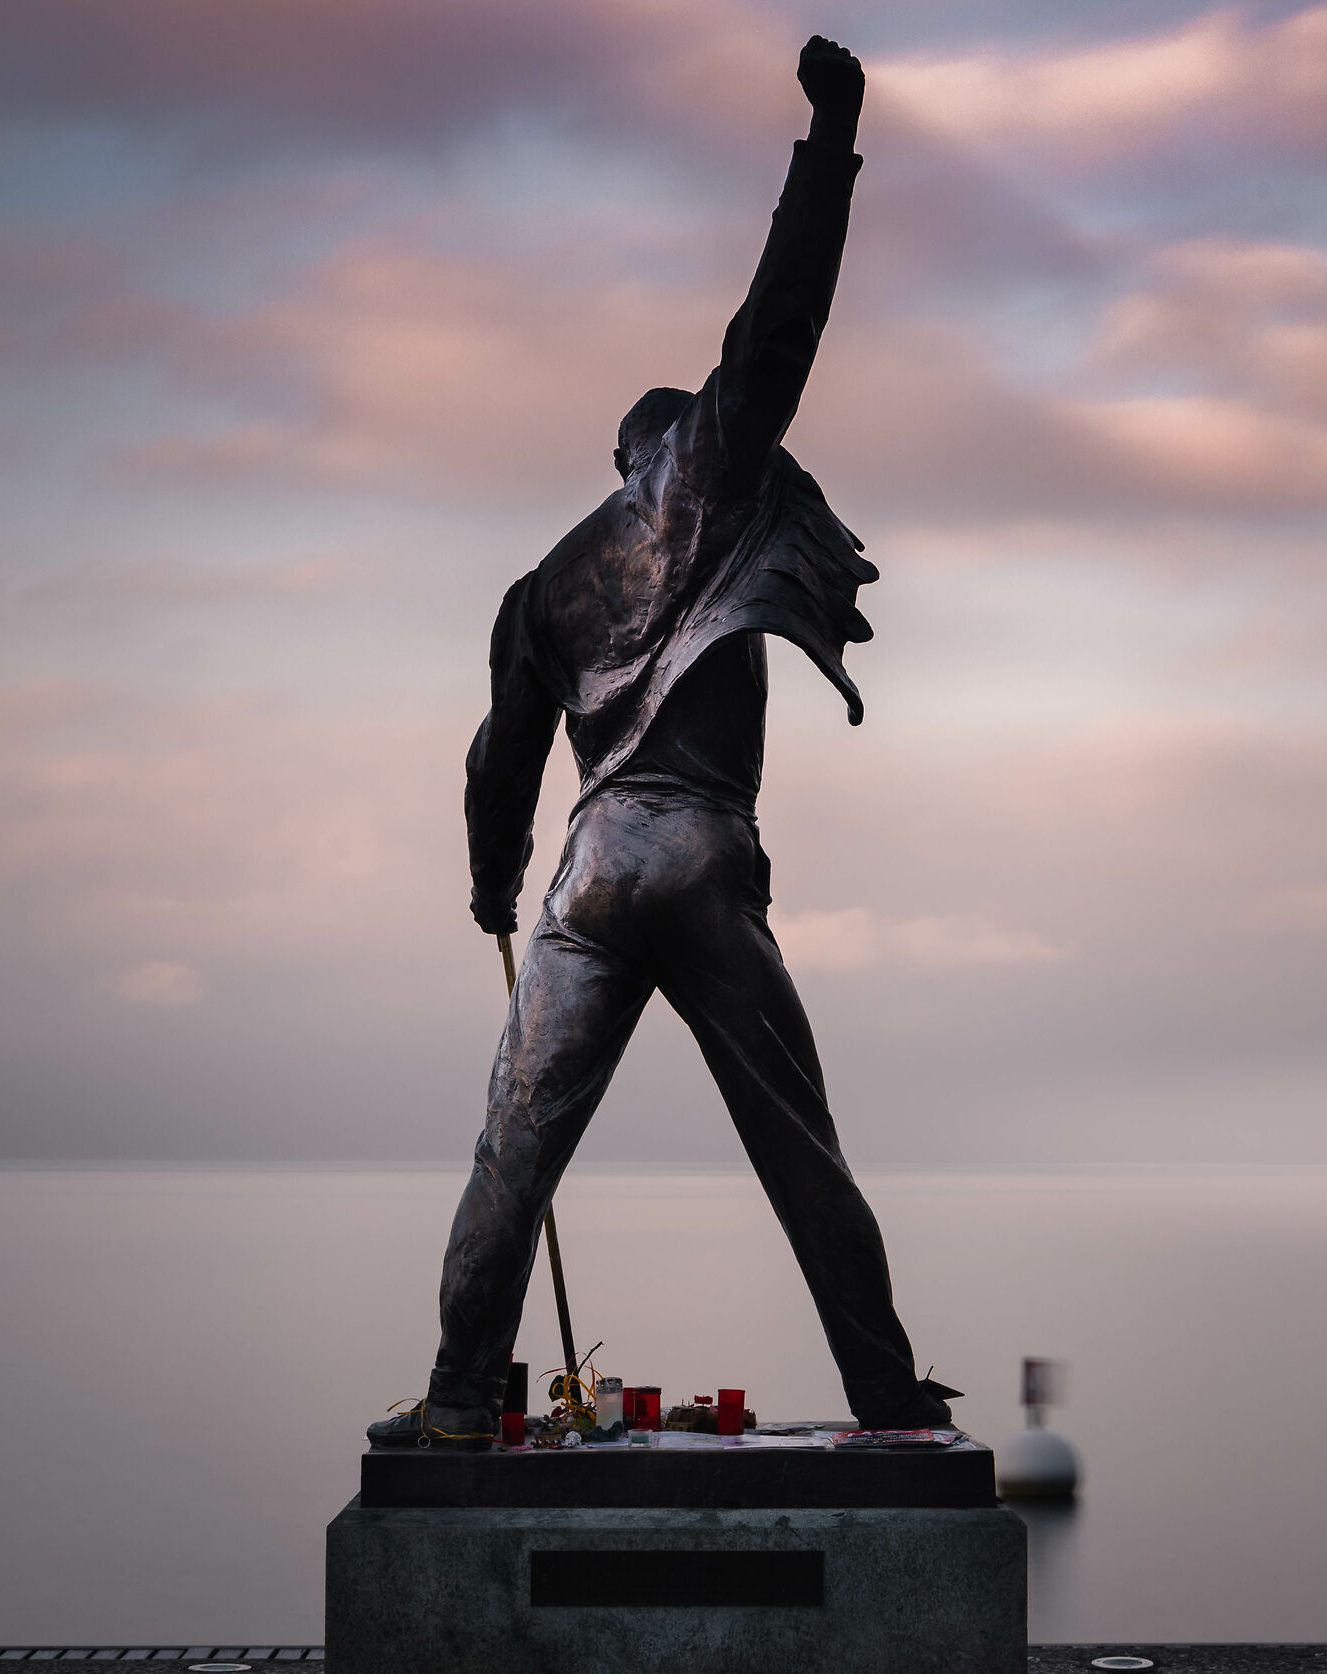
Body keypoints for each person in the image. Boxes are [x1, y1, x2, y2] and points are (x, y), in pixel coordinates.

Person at [370, 35, 956, 1448]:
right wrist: (832, 137)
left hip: (582, 876)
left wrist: (489, 883)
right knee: (793, 1140)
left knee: (515, 1144)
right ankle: (890, 1401)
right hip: (694, 850)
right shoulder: (707, 478)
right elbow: (779, 329)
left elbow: (494, 765)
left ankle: (459, 1403)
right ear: (676, 447)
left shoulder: (543, 584)